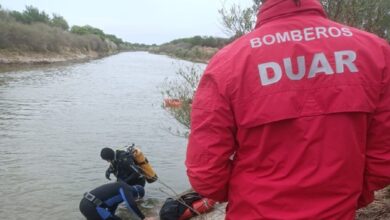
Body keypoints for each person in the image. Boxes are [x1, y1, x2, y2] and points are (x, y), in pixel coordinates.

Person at [185, 0, 390, 219]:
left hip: (254, 212)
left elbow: (205, 170)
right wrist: (350, 195)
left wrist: (245, 196)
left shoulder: (228, 62)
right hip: (337, 211)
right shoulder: (376, 52)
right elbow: (383, 155)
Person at [79, 182, 151, 220]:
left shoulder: (120, 190)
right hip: (92, 207)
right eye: (137, 198)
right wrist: (143, 218)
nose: (135, 200)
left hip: (84, 204)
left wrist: (112, 216)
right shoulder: (126, 188)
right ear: (137, 195)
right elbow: (130, 204)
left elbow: (112, 206)